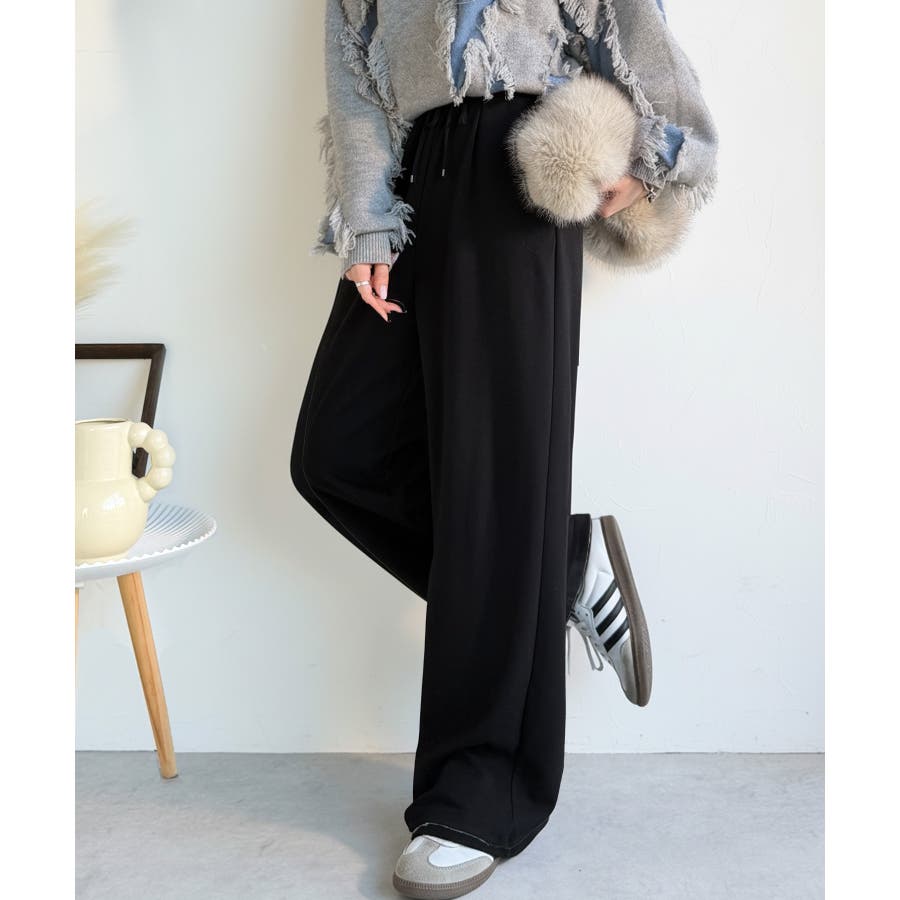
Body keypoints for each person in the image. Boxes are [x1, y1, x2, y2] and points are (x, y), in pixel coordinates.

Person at [290, 2, 718, 897]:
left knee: (491, 495)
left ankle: (476, 795)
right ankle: (559, 563)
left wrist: (650, 159)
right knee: (336, 454)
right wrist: (367, 216)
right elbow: (354, 69)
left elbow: (633, 29)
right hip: (416, 179)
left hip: (520, 170)